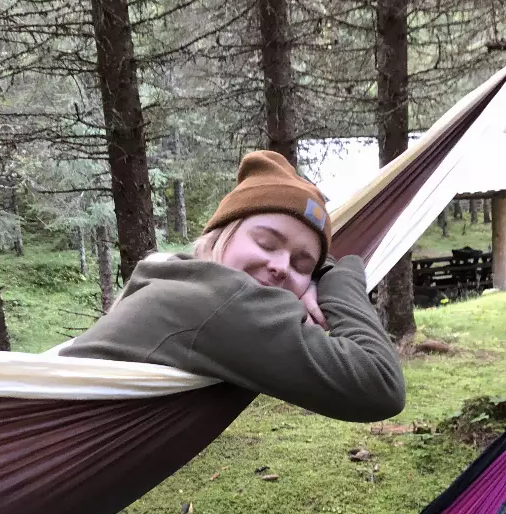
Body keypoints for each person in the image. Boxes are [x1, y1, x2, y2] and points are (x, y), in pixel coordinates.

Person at [59, 150, 406, 424]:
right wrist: (344, 276)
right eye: (266, 243)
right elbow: (380, 384)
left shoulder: (180, 278)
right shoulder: (222, 302)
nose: (281, 266)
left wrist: (318, 273)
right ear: (221, 235)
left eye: (301, 264)